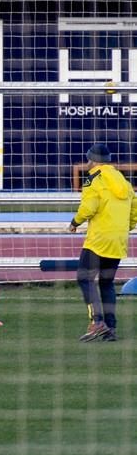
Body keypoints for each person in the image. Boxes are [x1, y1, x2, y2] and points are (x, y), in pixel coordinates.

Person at [68, 144, 137, 342]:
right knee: (106, 282)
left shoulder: (92, 179)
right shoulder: (123, 181)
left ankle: (97, 322)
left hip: (98, 239)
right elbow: (134, 208)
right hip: (118, 239)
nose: (87, 163)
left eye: (88, 159)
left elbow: (89, 207)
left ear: (94, 160)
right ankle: (111, 328)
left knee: (84, 278)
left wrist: (75, 222)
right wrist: (125, 228)